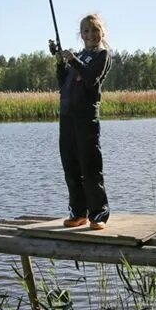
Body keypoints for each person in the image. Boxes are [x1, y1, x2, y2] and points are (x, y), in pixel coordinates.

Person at [48, 13, 113, 230]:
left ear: (101, 33)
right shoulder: (80, 56)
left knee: (90, 167)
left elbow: (90, 79)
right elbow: (63, 83)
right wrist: (60, 63)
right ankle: (78, 213)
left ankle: (99, 215)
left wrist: (72, 60)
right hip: (67, 116)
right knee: (71, 166)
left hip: (87, 117)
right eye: (86, 31)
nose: (91, 35)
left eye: (95, 30)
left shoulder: (102, 56)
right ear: (81, 35)